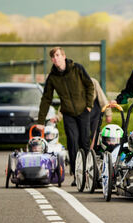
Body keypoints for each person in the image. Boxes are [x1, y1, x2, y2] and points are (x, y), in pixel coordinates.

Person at [37, 47, 94, 186]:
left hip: (83, 111)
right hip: (68, 114)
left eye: (58, 55)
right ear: (52, 60)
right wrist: (40, 121)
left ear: (63, 56)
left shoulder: (77, 69)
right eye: (53, 57)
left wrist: (89, 104)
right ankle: (76, 174)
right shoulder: (52, 77)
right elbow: (46, 99)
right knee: (73, 142)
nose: (55, 58)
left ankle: (89, 172)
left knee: (85, 142)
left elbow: (89, 85)